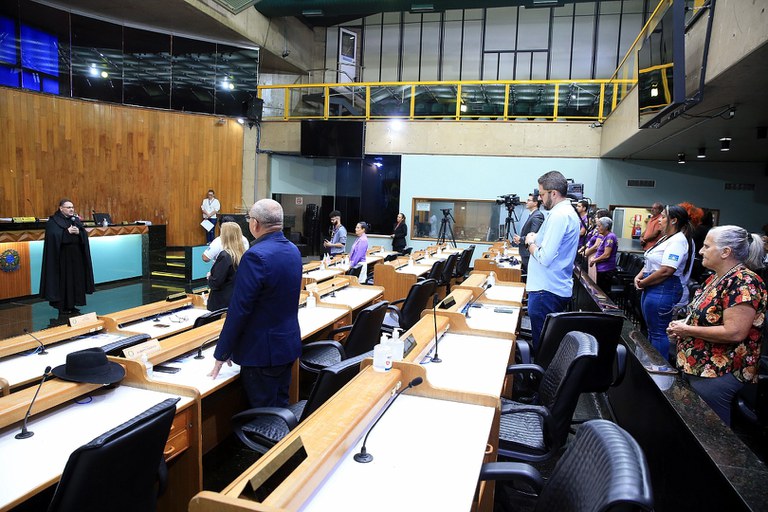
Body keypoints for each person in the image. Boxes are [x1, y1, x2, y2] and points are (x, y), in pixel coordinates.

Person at [667, 226, 767, 425]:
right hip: (699, 366)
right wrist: (682, 326)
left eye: (706, 246)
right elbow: (705, 317)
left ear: (725, 252)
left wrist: (687, 330)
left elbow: (735, 332)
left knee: (711, 430)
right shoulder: (717, 277)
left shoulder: (744, 282)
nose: (701, 251)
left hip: (720, 371)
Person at [209, 199, 302, 408]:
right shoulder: (293, 250)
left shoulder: (255, 256)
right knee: (279, 409)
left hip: (261, 352)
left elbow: (239, 309)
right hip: (286, 345)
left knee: (263, 416)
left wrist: (222, 352)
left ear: (255, 223)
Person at [524, 171, 581, 352]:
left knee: (543, 349)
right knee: (547, 345)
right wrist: (537, 237)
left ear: (553, 193)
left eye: (542, 194)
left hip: (546, 290)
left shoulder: (559, 215)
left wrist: (530, 243)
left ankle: (540, 371)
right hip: (550, 288)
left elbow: (545, 257)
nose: (540, 199)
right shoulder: (565, 212)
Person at [634, 205, 695, 360]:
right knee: (651, 330)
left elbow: (667, 270)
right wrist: (639, 276)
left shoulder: (678, 240)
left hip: (663, 287)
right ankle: (650, 363)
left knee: (658, 333)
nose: (658, 220)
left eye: (662, 217)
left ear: (673, 220)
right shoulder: (666, 238)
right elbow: (651, 260)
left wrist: (643, 282)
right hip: (653, 286)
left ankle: (659, 367)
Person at [40, 199, 95, 315]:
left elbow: (83, 234)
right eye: (68, 207)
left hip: (76, 256)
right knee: (64, 281)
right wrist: (66, 232)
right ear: (61, 208)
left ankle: (73, 304)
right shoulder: (53, 221)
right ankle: (62, 306)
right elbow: (53, 237)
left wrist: (79, 232)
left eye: (72, 207)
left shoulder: (75, 220)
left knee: (75, 280)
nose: (71, 209)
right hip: (62, 258)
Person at [206, 221, 247, 311]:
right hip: (235, 299)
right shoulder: (243, 254)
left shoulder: (225, 256)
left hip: (221, 303)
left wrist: (209, 277)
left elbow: (216, 283)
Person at [513, 193, 544, 272]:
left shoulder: (537, 216)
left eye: (529, 200)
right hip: (525, 252)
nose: (526, 202)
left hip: (528, 253)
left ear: (535, 203)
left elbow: (533, 235)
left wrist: (521, 239)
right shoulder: (533, 215)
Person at [588, 217, 618, 292]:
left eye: (599, 226)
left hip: (606, 270)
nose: (597, 228)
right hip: (601, 269)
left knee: (603, 292)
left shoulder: (610, 237)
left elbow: (606, 255)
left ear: (606, 227)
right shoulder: (605, 237)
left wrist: (594, 260)